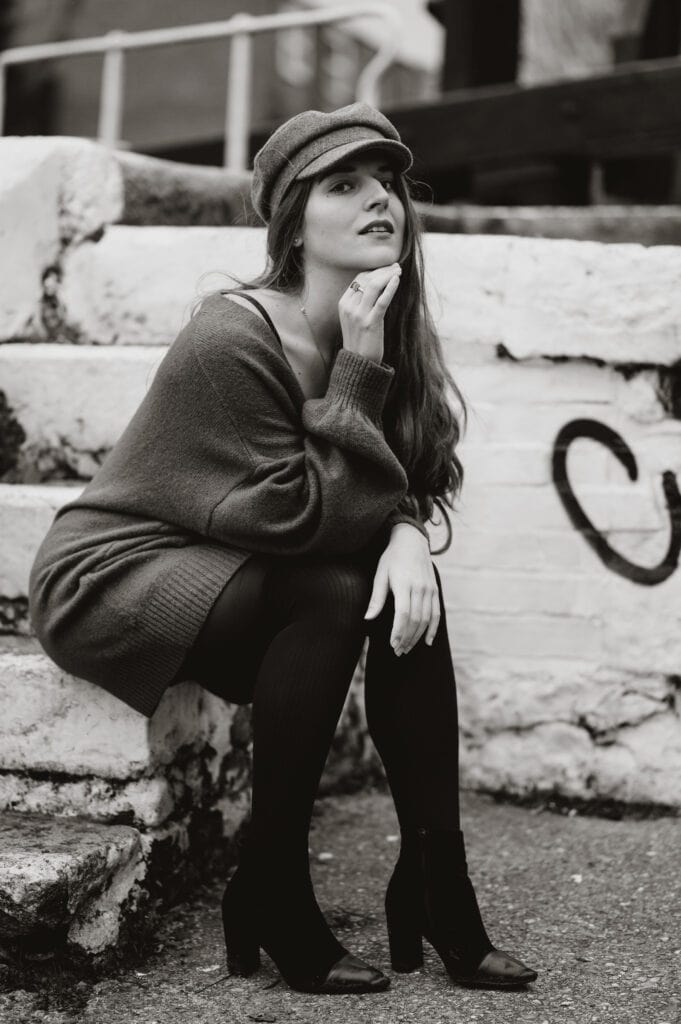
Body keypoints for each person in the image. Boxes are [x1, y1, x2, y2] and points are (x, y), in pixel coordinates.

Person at [28, 102, 538, 995]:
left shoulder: (379, 320)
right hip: (116, 576)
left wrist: (406, 534)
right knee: (334, 587)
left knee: (391, 589)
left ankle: (435, 881)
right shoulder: (230, 338)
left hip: (233, 562)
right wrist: (362, 389)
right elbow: (307, 520)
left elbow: (394, 480)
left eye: (386, 182)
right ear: (293, 226)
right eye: (345, 184)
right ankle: (275, 882)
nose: (380, 199)